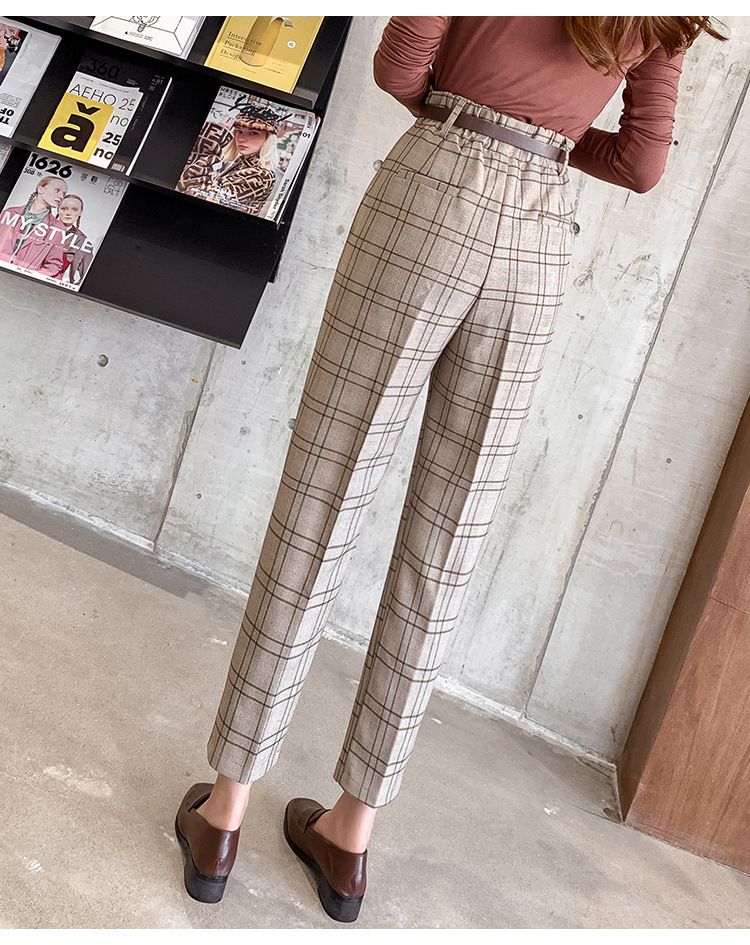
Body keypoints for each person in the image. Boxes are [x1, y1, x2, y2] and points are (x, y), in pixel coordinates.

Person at [174, 16, 727, 922]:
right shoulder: (663, 14)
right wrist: (546, 142)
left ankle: (224, 812)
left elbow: (401, 67)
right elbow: (641, 164)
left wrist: (474, 121)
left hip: (433, 190)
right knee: (450, 534)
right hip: (540, 231)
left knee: (324, 490)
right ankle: (350, 837)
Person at [176, 100, 280, 216]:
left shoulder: (262, 176)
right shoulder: (241, 164)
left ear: (268, 139)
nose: (242, 138)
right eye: (239, 131)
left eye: (253, 133)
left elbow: (203, 197)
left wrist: (211, 143)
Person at [0, 175, 67, 275]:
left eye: (64, 194)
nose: (61, 196)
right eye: (57, 190)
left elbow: (53, 264)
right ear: (40, 189)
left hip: (19, 279)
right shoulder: (10, 213)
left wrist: (33, 275)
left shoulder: (58, 228)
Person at [54, 194, 94, 285]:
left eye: (74, 209)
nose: (68, 213)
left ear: (80, 212)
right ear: (58, 209)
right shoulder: (42, 228)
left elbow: (85, 277)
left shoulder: (82, 242)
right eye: (64, 209)